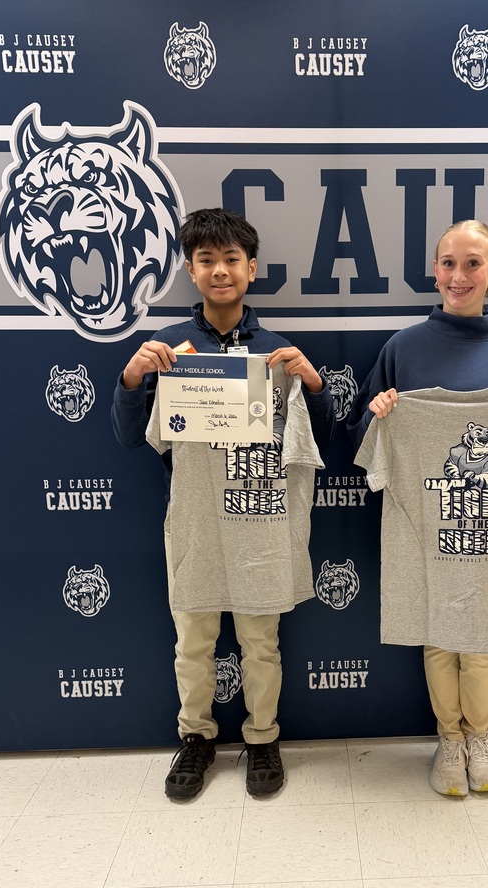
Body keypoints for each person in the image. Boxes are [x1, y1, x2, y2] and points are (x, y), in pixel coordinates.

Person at [112, 208, 335, 799]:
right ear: (190, 269)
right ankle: (197, 737)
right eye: (206, 260)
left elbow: (324, 440)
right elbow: (132, 435)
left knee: (262, 641)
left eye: (230, 259)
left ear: (251, 268)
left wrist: (312, 384)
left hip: (261, 518)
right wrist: (133, 379)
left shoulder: (278, 350)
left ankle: (263, 737)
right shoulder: (167, 348)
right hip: (196, 518)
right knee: (194, 640)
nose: (219, 271)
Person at [346, 219, 488, 797]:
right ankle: (448, 739)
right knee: (438, 634)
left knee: (483, 637)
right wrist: (381, 410)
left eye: (473, 263)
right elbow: (363, 441)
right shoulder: (403, 346)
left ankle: (480, 737)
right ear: (434, 270)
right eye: (448, 262)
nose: (459, 275)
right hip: (429, 522)